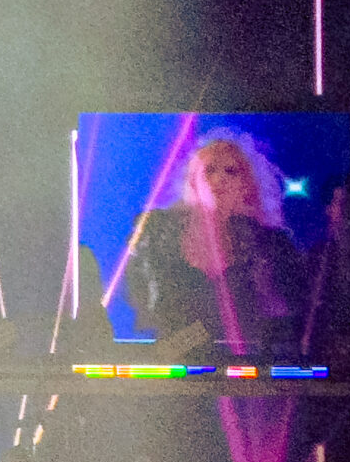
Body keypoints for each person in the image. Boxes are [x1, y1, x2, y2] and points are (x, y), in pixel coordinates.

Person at [123, 134, 304, 360]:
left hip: (247, 368)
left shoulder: (270, 245)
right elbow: (138, 315)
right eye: (209, 170)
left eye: (231, 171)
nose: (219, 179)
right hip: (170, 367)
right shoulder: (157, 237)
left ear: (246, 184)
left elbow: (282, 319)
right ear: (193, 181)